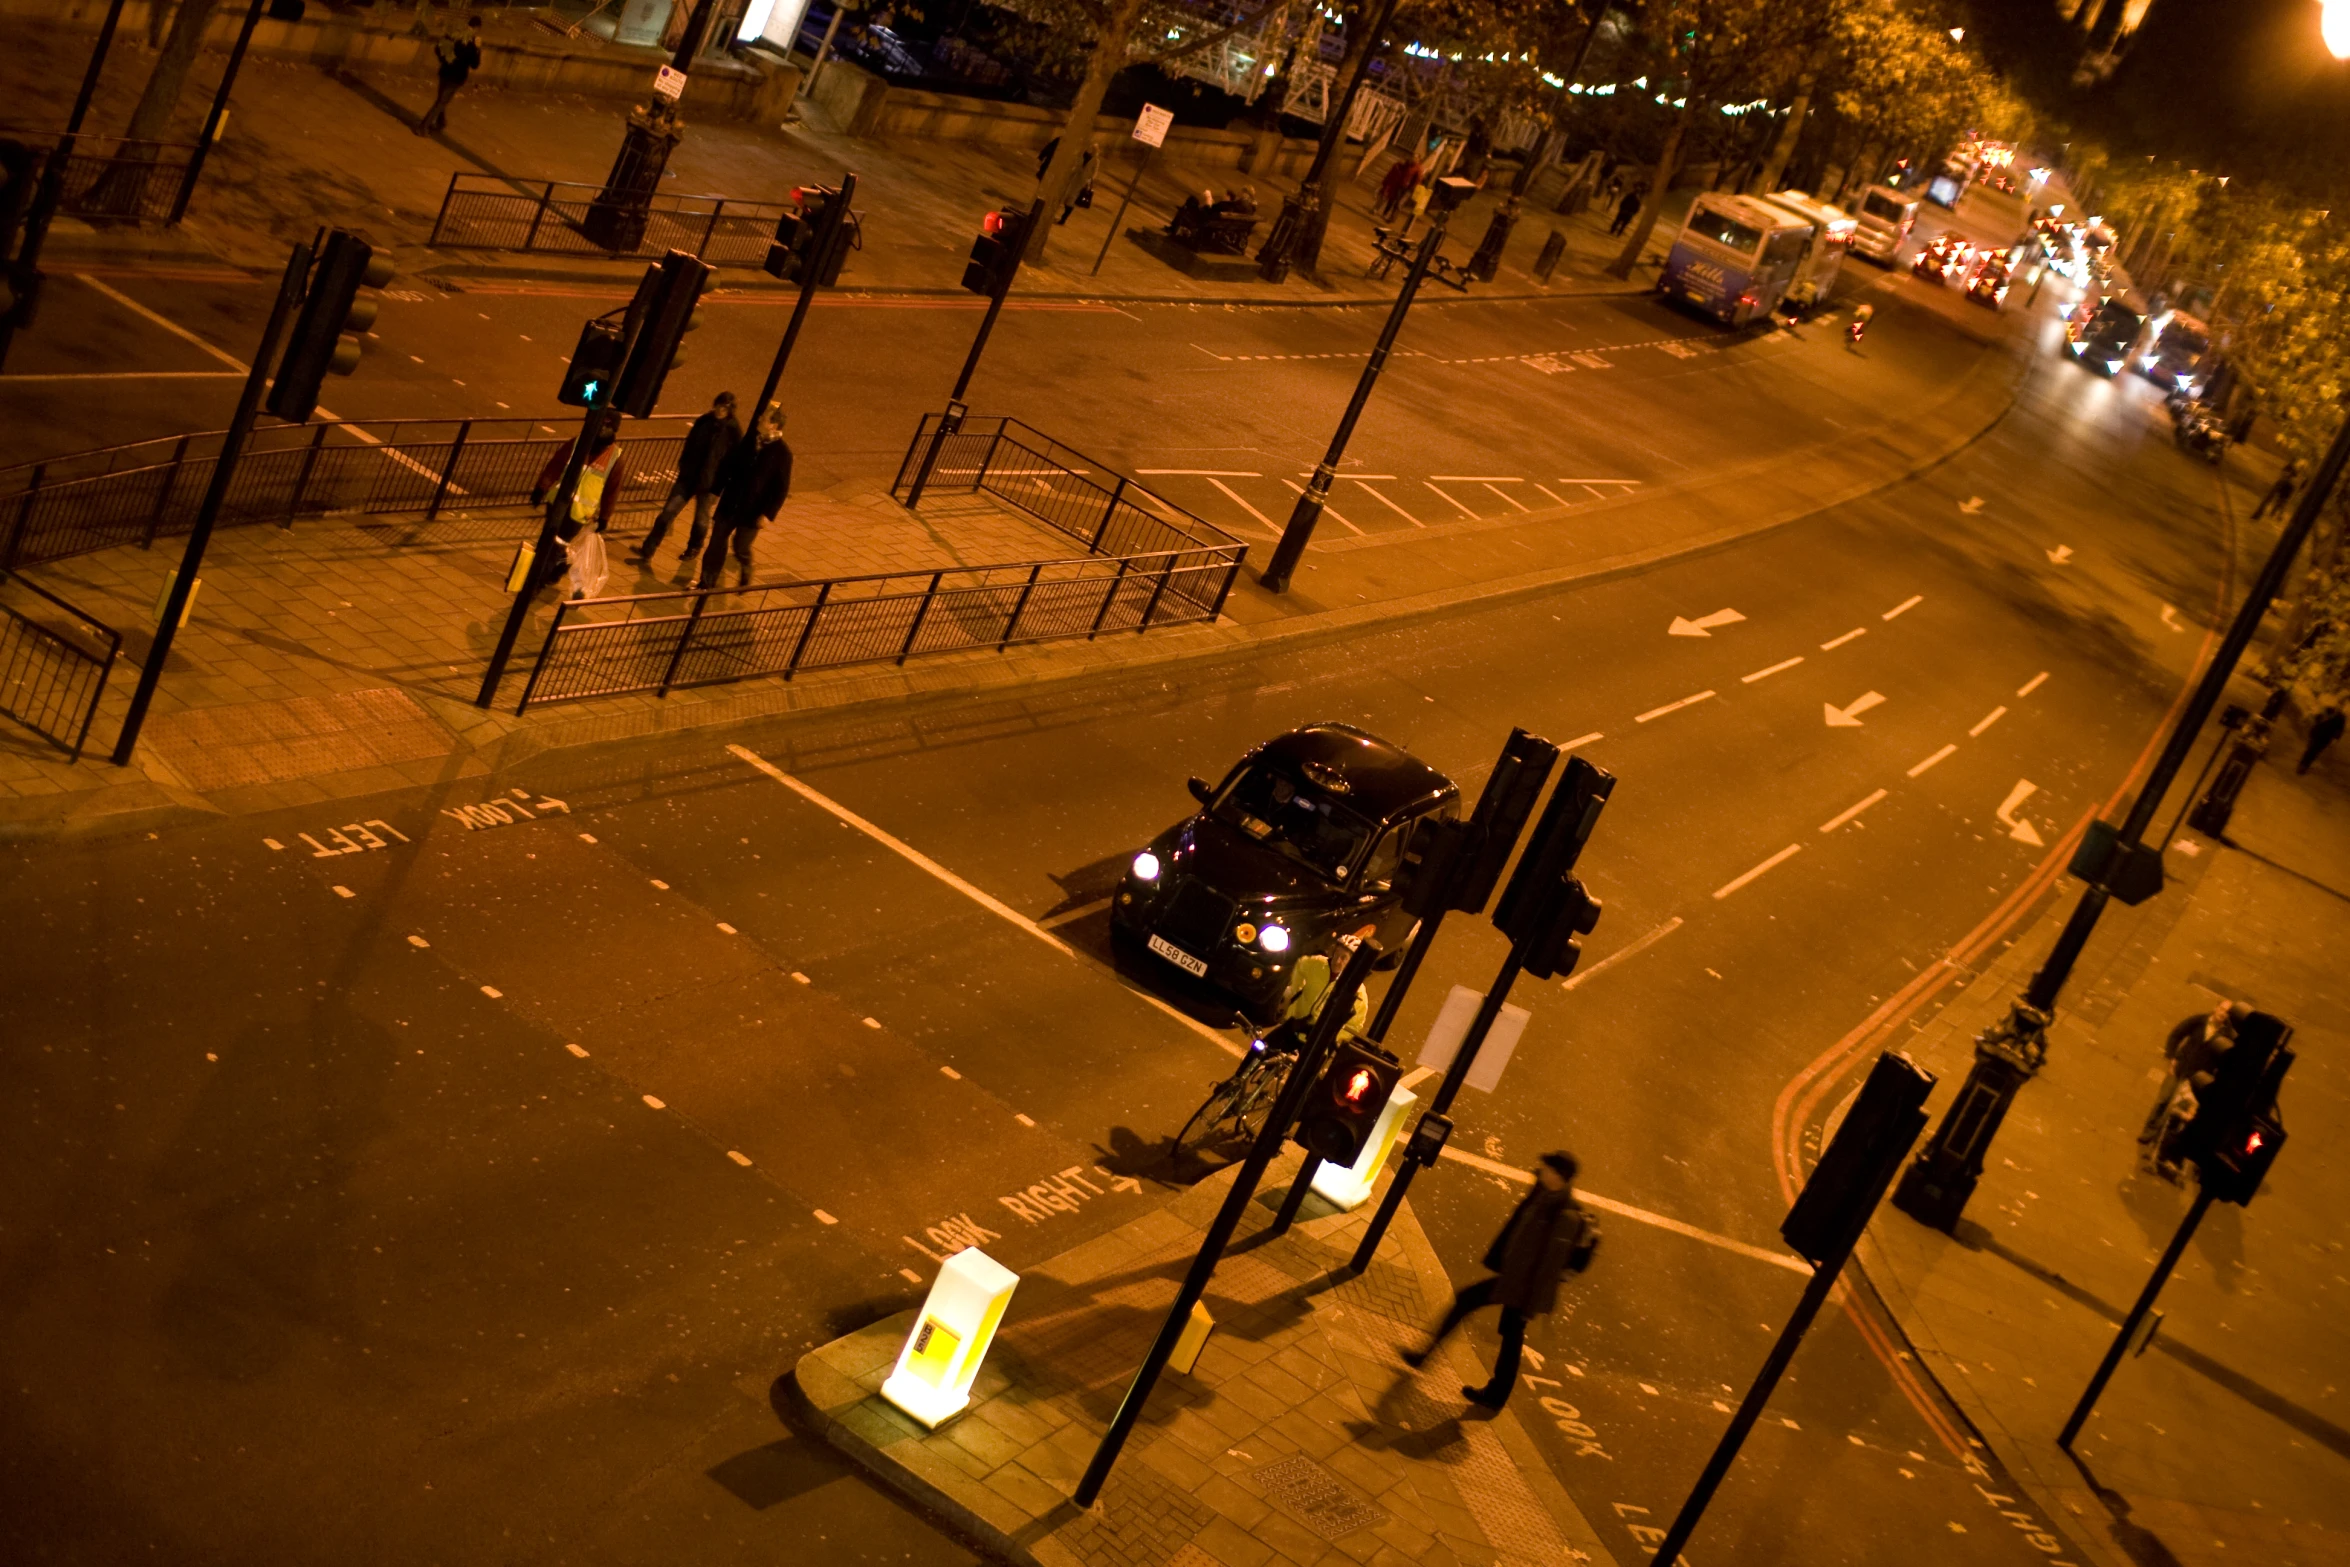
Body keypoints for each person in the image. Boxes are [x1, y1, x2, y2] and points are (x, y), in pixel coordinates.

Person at [1404, 1152, 1594, 1410]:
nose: (1542, 1169)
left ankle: (1430, 1359)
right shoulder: (1544, 1194)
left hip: (1522, 1289)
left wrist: (1529, 1306)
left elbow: (1549, 1268)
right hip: (1513, 1279)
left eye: (1548, 1168)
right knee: (1508, 1333)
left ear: (1559, 1177)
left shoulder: (1564, 1217)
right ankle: (1490, 1391)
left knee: (1474, 1305)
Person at [632, 391, 739, 565]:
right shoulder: (704, 421)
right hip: (688, 478)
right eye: (719, 405)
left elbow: (731, 462)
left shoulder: (733, 430)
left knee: (701, 520)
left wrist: (718, 486)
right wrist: (684, 465)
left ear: (730, 410)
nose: (721, 410)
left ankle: (694, 548)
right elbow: (690, 444)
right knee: (667, 513)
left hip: (709, 484)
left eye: (725, 408)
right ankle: (648, 549)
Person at [698, 406, 792, 589]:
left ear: (774, 425)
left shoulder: (782, 453)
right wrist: (715, 491)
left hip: (753, 510)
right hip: (731, 502)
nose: (759, 419)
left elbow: (781, 488)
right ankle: (707, 582)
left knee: (740, 546)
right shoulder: (750, 441)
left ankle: (746, 564)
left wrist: (767, 514)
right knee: (716, 541)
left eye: (764, 418)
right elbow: (728, 466)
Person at [527, 412, 625, 590]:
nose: (602, 429)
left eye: (608, 426)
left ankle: (536, 584)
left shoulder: (615, 458)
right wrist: (541, 487)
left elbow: (612, 490)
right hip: (557, 502)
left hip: (579, 512)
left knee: (556, 546)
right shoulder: (578, 442)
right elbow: (556, 464)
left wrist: (605, 516)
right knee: (546, 542)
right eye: (600, 424)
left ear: (614, 430)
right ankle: (554, 568)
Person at [2139, 1002, 2243, 1150]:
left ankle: (2161, 1139)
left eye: (2226, 1012)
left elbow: (2226, 1059)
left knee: (2178, 1108)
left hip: (2196, 1078)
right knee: (2164, 1100)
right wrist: (2172, 1056)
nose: (2222, 1014)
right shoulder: (2199, 1021)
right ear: (2215, 1008)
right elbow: (2178, 1032)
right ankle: (2149, 1131)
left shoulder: (2226, 1036)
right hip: (2180, 1068)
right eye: (2221, 1009)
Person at [417, 15, 483, 136]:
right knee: (441, 101)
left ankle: (436, 123)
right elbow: (474, 64)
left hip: (446, 72)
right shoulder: (473, 43)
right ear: (477, 28)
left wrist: (444, 60)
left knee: (441, 100)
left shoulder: (454, 34)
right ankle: (425, 127)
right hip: (457, 76)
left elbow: (438, 48)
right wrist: (478, 50)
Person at [2301, 706, 2346, 774]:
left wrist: (2336, 739)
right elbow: (2317, 718)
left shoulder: (2341, 717)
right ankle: (2304, 763)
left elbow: (2340, 729)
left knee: (2314, 751)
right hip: (2317, 733)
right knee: (2311, 749)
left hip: (2325, 737)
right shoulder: (2327, 709)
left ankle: (2305, 764)